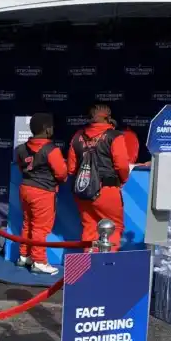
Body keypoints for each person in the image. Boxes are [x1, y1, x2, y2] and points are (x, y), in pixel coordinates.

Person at [67, 104, 131, 250]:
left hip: (82, 191)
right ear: (108, 118)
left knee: (89, 227)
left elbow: (71, 169)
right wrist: (122, 180)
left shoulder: (77, 136)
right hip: (107, 189)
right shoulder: (115, 136)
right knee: (112, 227)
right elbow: (121, 165)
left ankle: (88, 267)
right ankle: (106, 267)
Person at [15, 113, 68, 275]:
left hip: (25, 188)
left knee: (27, 223)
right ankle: (39, 261)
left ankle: (24, 256)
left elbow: (20, 167)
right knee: (40, 227)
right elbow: (62, 173)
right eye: (51, 126)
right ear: (46, 130)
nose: (52, 129)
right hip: (43, 192)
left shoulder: (20, 148)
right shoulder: (51, 150)